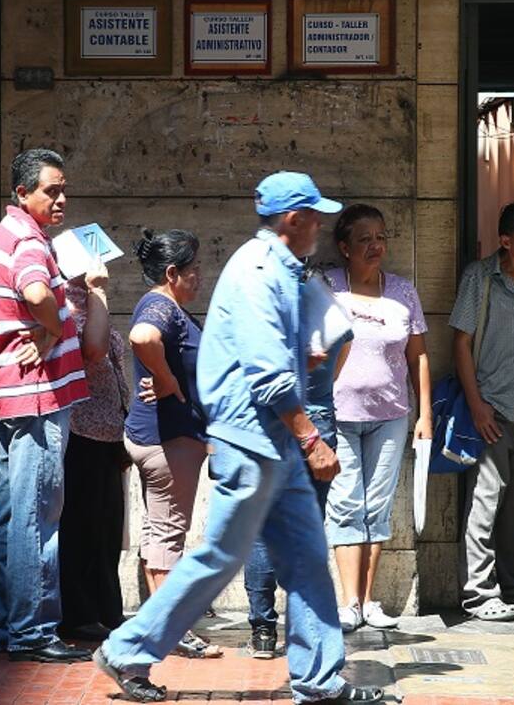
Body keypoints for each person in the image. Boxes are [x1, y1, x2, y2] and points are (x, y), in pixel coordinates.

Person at [94, 172, 386, 705]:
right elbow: (267, 376)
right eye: (313, 217)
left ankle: (319, 680)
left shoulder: (284, 270)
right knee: (221, 557)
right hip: (252, 442)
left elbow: (290, 353)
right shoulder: (256, 272)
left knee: (306, 558)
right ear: (293, 219)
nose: (319, 226)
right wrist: (312, 438)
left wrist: (306, 359)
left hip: (274, 443)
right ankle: (127, 649)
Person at [0, 148, 90, 662]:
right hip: (39, 396)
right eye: (51, 190)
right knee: (36, 515)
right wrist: (53, 324)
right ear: (23, 193)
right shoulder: (27, 239)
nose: (61, 199)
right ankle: (32, 632)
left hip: (15, 395)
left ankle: (2, 625)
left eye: (63, 190)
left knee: (8, 515)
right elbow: (36, 291)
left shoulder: (11, 231)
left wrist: (49, 326)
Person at [323, 204, 431, 632]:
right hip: (338, 416)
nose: (375, 246)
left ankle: (368, 602)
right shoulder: (328, 286)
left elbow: (418, 356)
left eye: (381, 237)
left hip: (391, 416)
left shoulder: (402, 291)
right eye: (364, 239)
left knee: (378, 507)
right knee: (347, 504)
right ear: (344, 246)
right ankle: (348, 602)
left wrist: (425, 414)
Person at [450, 200, 514, 622]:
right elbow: (460, 342)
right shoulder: (480, 277)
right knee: (486, 499)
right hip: (494, 405)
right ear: (506, 241)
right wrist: (476, 404)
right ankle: (479, 592)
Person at [243, 271, 352, 658]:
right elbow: (336, 367)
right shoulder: (333, 320)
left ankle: (262, 629)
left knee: (261, 530)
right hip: (319, 425)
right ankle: (304, 629)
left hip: (273, 428)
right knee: (307, 531)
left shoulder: (271, 324)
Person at [122, 228, 215, 658]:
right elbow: (143, 337)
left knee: (159, 530)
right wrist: (167, 380)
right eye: (194, 268)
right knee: (168, 533)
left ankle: (160, 623)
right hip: (168, 441)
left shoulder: (168, 307)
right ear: (173, 272)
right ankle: (170, 629)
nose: (201, 275)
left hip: (166, 438)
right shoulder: (160, 305)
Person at [58, 259, 130, 641]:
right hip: (81, 430)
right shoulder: (67, 306)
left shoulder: (89, 302)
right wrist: (97, 289)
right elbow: (95, 350)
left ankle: (107, 609)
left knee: (107, 528)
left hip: (109, 433)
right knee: (81, 527)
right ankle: (79, 613)